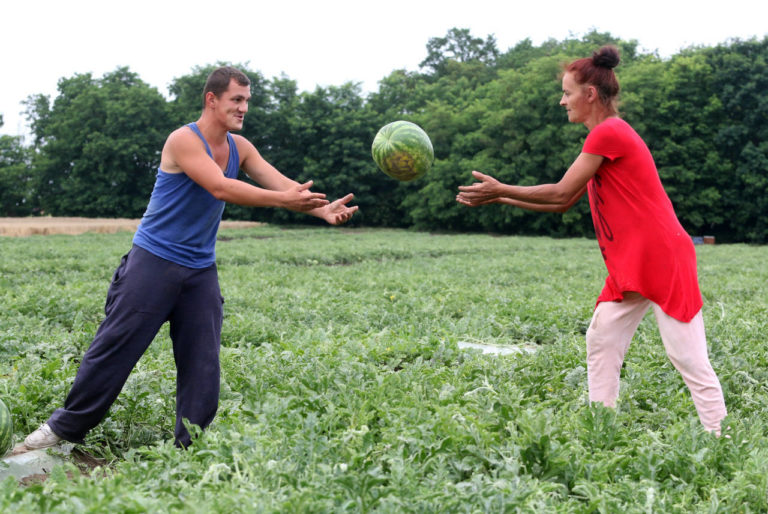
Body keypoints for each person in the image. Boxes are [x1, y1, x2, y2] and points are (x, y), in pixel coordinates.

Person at [24, 66, 358, 449]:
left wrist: (322, 210)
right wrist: (286, 201)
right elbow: (219, 187)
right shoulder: (183, 140)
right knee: (114, 351)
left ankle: (188, 447)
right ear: (211, 99)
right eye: (237, 99)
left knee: (203, 364)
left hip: (199, 269)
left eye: (247, 100)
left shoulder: (240, 147)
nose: (244, 107)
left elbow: (284, 185)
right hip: (152, 262)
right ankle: (60, 432)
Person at [456, 46, 727, 435]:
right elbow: (564, 201)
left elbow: (559, 192)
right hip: (633, 260)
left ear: (590, 94)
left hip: (662, 256)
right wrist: (500, 195)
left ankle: (722, 437)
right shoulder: (605, 136)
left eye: (567, 92)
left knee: (686, 356)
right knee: (603, 338)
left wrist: (502, 189)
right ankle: (601, 427)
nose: (561, 100)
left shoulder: (609, 132)